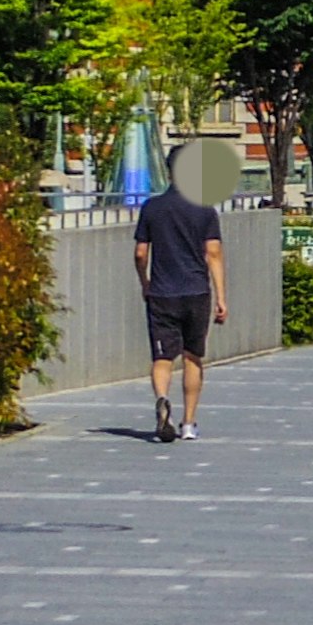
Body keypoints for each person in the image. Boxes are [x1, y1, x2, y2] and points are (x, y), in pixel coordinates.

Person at [133, 170, 228, 443]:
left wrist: (145, 282)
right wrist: (221, 297)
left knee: (162, 359)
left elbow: (140, 253)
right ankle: (188, 423)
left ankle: (163, 400)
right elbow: (213, 253)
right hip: (196, 291)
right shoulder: (205, 209)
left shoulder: (152, 207)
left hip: (162, 292)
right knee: (192, 357)